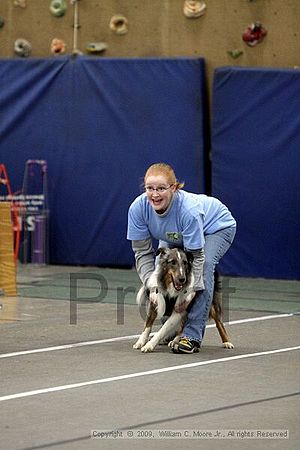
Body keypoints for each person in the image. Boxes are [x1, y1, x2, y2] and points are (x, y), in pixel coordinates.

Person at [127, 163, 236, 354]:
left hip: (216, 228)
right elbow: (142, 253)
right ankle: (168, 329)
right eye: (150, 188)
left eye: (161, 188)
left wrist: (191, 292)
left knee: (204, 269)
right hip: (173, 233)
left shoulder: (188, 210)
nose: (155, 194)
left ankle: (191, 335)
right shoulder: (138, 208)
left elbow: (197, 257)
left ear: (174, 188)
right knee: (161, 267)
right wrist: (150, 286)